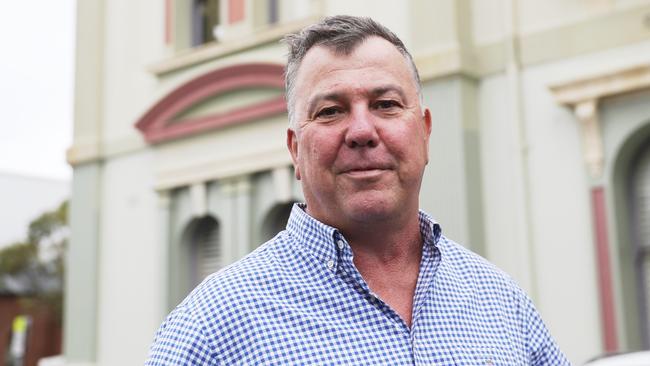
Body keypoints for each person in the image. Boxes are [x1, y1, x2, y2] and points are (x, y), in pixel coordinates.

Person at [146, 15, 569, 365]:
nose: (363, 132)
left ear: (424, 132)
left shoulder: (502, 304)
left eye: (386, 104)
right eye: (331, 111)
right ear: (295, 149)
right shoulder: (212, 328)